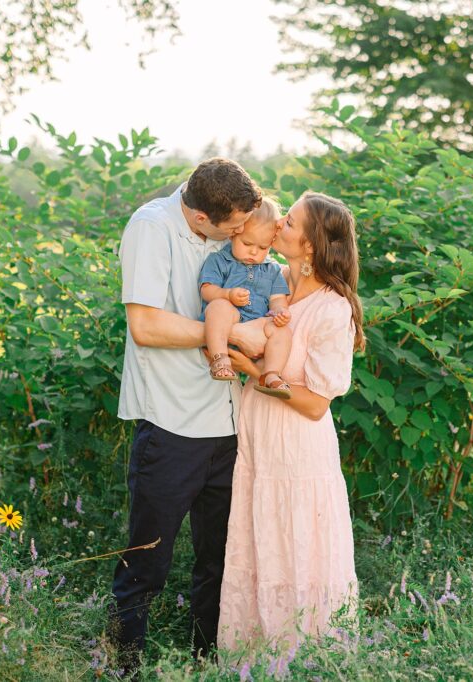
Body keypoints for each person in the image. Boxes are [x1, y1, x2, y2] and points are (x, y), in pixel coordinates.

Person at [109, 157, 268, 672]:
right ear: (201, 218)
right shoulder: (151, 227)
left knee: (221, 559)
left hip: (229, 420)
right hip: (172, 422)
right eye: (233, 228)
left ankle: (208, 659)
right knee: (148, 560)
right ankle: (122, 661)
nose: (241, 234)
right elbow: (147, 328)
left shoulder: (231, 226)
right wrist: (228, 335)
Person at [218, 191, 365, 653]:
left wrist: (254, 371)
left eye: (292, 223)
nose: (279, 224)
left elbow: (316, 404)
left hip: (299, 449)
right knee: (260, 544)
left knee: (299, 549)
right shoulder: (269, 281)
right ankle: (254, 656)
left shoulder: (331, 309)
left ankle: (306, 657)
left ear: (312, 246)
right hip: (260, 443)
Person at [199, 198, 293, 399]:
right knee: (219, 307)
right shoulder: (220, 260)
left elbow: (277, 298)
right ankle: (220, 358)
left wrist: (280, 312)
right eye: (247, 243)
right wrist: (227, 294)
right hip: (228, 323)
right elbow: (206, 290)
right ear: (234, 235)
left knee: (282, 330)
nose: (253, 251)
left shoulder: (273, 269)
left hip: (257, 329)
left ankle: (271, 374)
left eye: (262, 247)